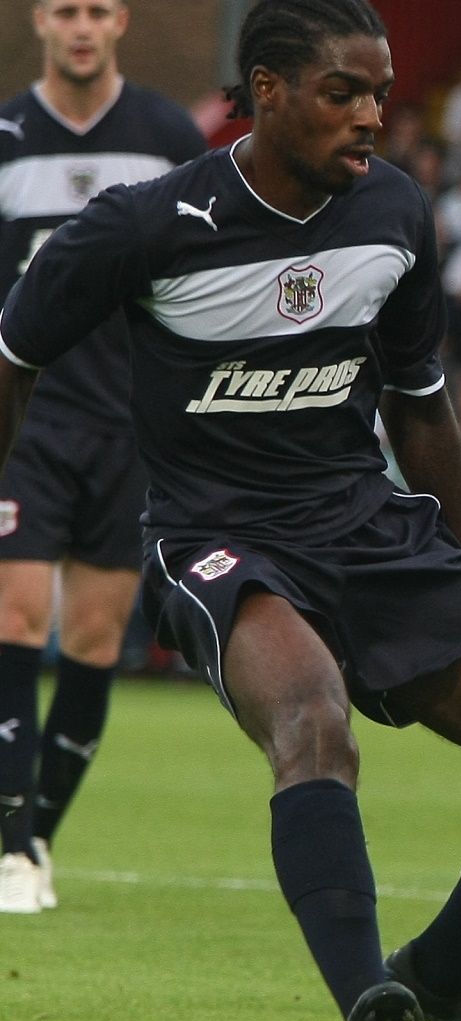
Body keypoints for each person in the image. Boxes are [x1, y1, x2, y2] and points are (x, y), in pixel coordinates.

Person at [0, 3, 461, 1021]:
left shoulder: (395, 213)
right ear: (267, 91)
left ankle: (444, 973)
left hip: (366, 525)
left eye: (378, 93)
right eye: (343, 92)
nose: (372, 115)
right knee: (312, 721)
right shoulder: (145, 224)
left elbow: (419, 402)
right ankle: (373, 1015)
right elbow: (13, 358)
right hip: (216, 541)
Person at [0, 0, 205, 916]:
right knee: (14, 615)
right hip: (25, 420)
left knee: (91, 640)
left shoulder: (168, 137)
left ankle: (36, 838)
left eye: (96, 9)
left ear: (119, 20)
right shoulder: (6, 137)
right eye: (64, 9)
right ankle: (10, 850)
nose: (80, 26)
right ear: (40, 20)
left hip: (128, 425)